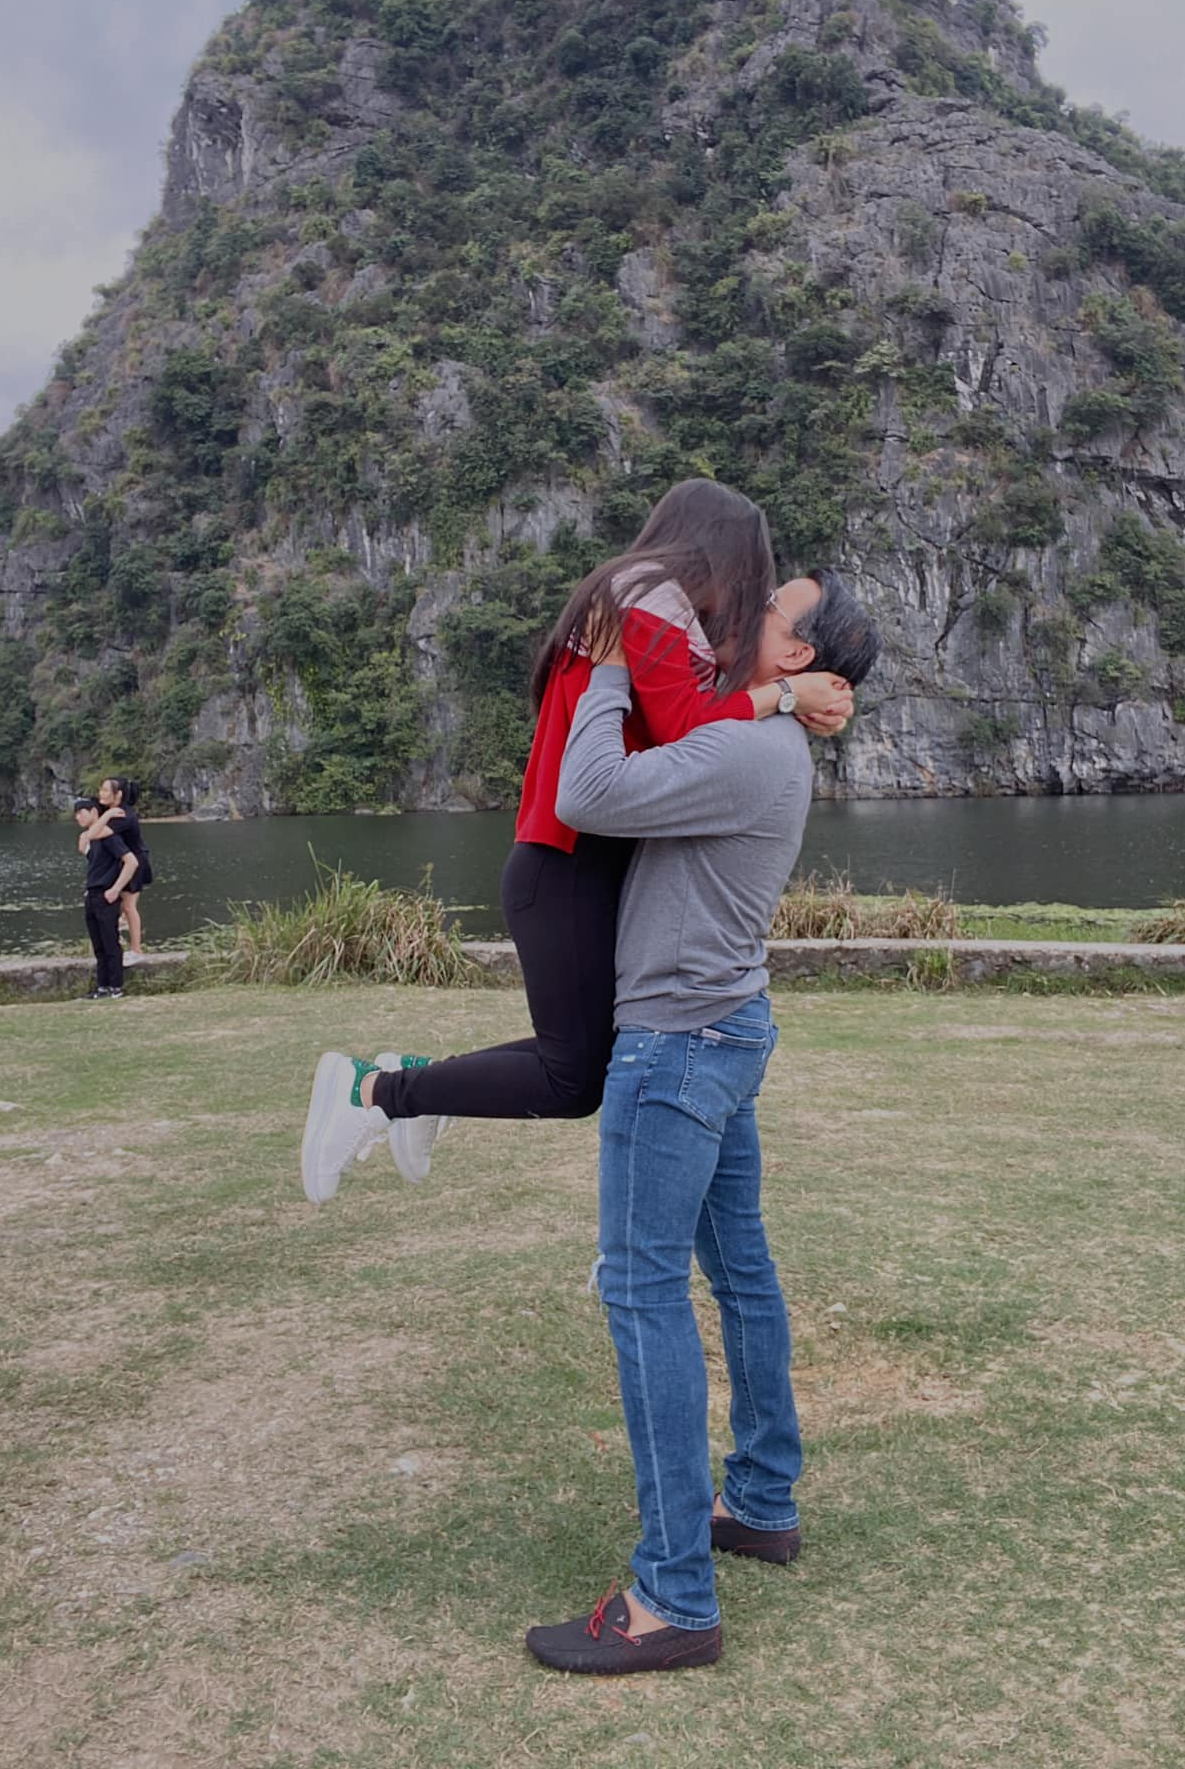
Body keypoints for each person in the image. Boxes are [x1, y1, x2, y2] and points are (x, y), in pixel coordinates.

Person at [300, 481, 855, 1202]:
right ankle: (374, 1091)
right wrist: (784, 694)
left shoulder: (665, 619)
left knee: (583, 1062)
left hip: (580, 864)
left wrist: (807, 696)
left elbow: (702, 714)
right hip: (563, 864)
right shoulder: (646, 601)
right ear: (712, 553)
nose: (750, 598)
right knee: (572, 1078)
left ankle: (409, 1084)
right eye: (753, 577)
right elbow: (687, 726)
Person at [522, 572, 880, 1675]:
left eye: (768, 610)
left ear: (796, 653)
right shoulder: (764, 736)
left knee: (644, 1294)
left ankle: (674, 1595)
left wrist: (611, 662)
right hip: (723, 1029)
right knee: (740, 1270)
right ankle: (760, 1500)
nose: (743, 612)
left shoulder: (744, 749)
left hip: (677, 1043)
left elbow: (588, 789)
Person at [78, 777, 153, 965]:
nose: (101, 793)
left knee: (129, 906)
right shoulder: (112, 811)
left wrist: (106, 816)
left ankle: (136, 950)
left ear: (118, 794)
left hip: (135, 862)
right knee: (117, 907)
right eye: (101, 789)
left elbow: (93, 834)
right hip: (121, 862)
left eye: (105, 790)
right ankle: (120, 939)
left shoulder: (122, 815)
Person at [72, 797, 138, 998]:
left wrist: (116, 889)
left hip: (106, 895)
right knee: (98, 945)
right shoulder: (93, 839)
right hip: (92, 895)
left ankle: (116, 987)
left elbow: (131, 862)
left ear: (94, 812)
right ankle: (102, 987)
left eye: (81, 813)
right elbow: (88, 853)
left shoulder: (109, 836)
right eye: (75, 814)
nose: (77, 817)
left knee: (110, 943)